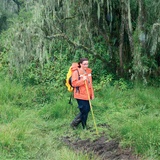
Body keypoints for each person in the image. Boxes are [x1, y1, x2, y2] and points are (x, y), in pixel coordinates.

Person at [70, 58, 94, 129]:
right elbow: (74, 84)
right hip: (79, 95)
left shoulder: (88, 72)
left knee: (87, 109)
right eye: (84, 64)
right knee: (84, 110)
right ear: (80, 64)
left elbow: (90, 85)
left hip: (87, 94)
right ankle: (80, 125)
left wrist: (92, 94)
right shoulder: (76, 72)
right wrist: (82, 81)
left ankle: (80, 124)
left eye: (87, 64)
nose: (86, 65)